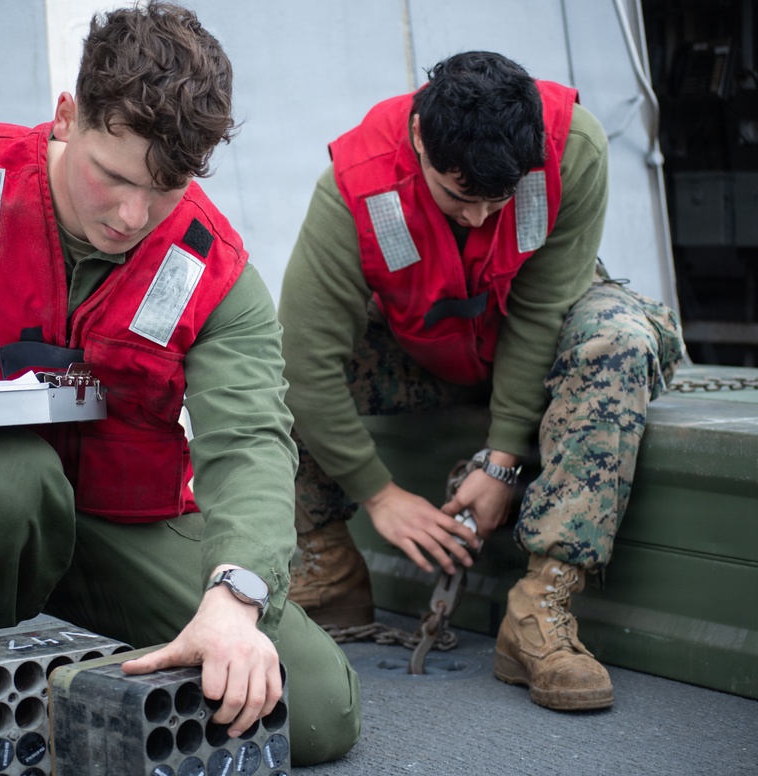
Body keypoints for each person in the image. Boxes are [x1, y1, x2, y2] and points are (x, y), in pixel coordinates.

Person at [0, 2, 359, 764]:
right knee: (8, 484)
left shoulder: (213, 270)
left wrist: (236, 599)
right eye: (113, 177)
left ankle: (83, 674)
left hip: (119, 521)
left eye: (165, 189)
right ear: (66, 118)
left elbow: (248, 438)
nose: (131, 215)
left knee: (314, 711)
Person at [279, 51, 685, 712]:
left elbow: (537, 313)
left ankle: (540, 609)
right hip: (430, 353)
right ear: (418, 140)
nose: (479, 220)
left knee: (618, 340)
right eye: (460, 198)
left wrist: (500, 464)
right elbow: (304, 357)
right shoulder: (357, 184)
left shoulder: (572, 149)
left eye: (499, 200)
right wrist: (378, 495)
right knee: (269, 358)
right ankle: (327, 567)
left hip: (543, 335)